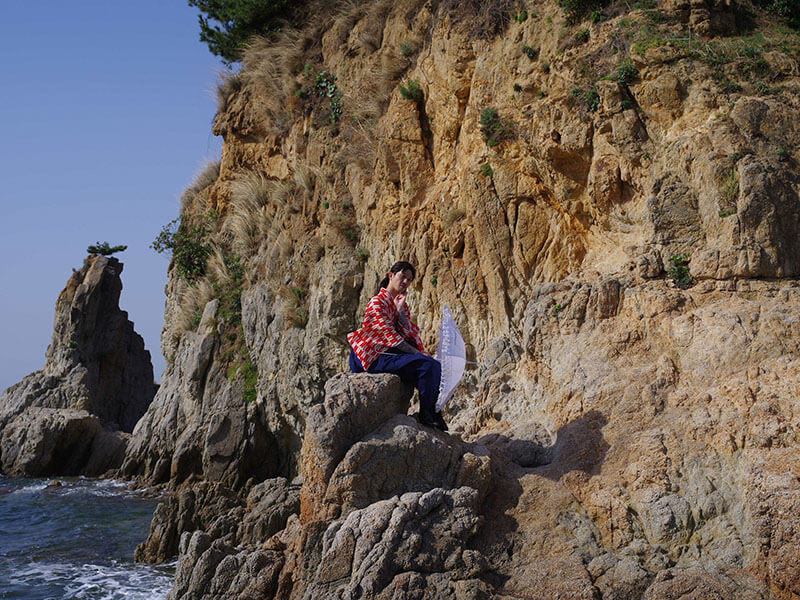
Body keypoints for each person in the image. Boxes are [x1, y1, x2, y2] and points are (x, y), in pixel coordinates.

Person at [347, 261, 447, 431]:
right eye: (403, 276)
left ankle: (433, 412)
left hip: (388, 353)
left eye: (409, 280)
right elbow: (388, 336)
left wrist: (400, 313)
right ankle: (427, 415)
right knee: (427, 365)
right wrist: (418, 353)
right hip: (372, 354)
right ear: (390, 275)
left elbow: (409, 335)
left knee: (432, 366)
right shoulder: (377, 302)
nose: (405, 282)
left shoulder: (402, 305)